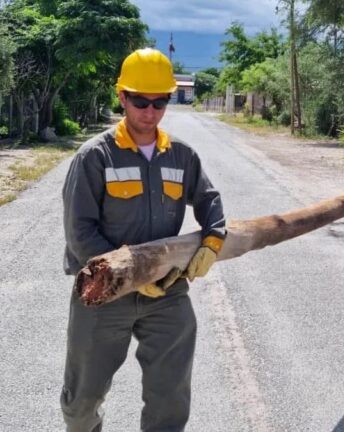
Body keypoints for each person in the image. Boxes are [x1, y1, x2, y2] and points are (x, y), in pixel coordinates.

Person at [60, 48, 226, 431]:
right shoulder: (95, 157)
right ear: (121, 97)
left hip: (167, 294)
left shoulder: (181, 156)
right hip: (102, 294)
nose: (149, 112)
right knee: (83, 397)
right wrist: (131, 276)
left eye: (160, 102)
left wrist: (213, 240)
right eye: (140, 101)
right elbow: (80, 231)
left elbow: (208, 199)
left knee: (170, 396)